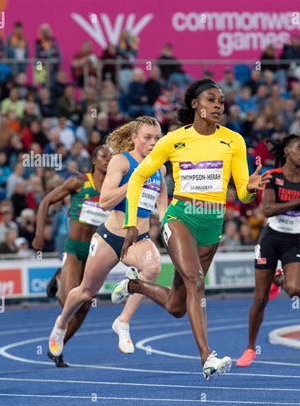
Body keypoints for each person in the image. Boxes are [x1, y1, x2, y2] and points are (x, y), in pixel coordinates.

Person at [115, 79, 271, 379]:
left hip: (212, 224)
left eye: (221, 101)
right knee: (196, 283)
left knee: (177, 305)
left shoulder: (234, 141)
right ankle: (207, 357)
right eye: (211, 100)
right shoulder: (173, 140)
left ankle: (133, 285)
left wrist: (250, 188)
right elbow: (137, 178)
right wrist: (131, 222)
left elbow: (242, 193)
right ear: (196, 105)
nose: (217, 106)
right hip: (180, 217)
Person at [48, 117, 167, 359]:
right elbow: (104, 201)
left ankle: (123, 322)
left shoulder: (160, 167)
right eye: (147, 137)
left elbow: (162, 201)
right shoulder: (121, 161)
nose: (153, 143)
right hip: (110, 237)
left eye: (157, 138)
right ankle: (61, 325)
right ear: (134, 138)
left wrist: (168, 223)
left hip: (138, 239)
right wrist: (133, 182)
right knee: (85, 293)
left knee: (153, 267)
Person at [236, 134, 300, 367]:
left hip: (293, 240)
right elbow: (267, 210)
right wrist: (298, 202)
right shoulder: (272, 177)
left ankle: (279, 277)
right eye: (299, 149)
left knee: (295, 290)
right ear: (286, 151)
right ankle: (250, 348)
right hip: (270, 239)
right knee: (260, 298)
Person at [33, 146, 111, 366]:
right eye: (104, 157)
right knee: (70, 303)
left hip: (96, 253)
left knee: (85, 305)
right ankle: (60, 277)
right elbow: (46, 201)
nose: (108, 161)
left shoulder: (114, 188)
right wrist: (39, 234)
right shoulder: (79, 182)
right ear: (94, 160)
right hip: (75, 248)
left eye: (111, 158)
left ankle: (56, 348)